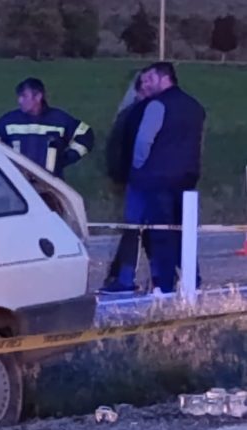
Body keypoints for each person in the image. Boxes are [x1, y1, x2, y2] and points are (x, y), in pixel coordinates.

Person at [130, 62, 207, 295]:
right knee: (185, 232)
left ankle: (165, 285)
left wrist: (138, 166)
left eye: (150, 79)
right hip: (187, 177)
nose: (146, 84)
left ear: (165, 78)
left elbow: (144, 141)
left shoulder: (157, 105)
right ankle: (192, 280)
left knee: (162, 234)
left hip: (158, 178)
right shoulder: (195, 106)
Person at [100, 71, 155, 294]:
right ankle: (129, 276)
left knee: (135, 230)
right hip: (137, 180)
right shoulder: (136, 114)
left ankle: (122, 276)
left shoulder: (128, 113)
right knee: (140, 230)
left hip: (132, 179)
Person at [0, 78, 95, 179]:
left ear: (38, 97)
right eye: (19, 96)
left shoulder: (59, 120)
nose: (20, 101)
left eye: (24, 96)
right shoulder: (9, 120)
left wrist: (66, 158)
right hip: (18, 183)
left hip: (50, 183)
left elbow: (85, 136)